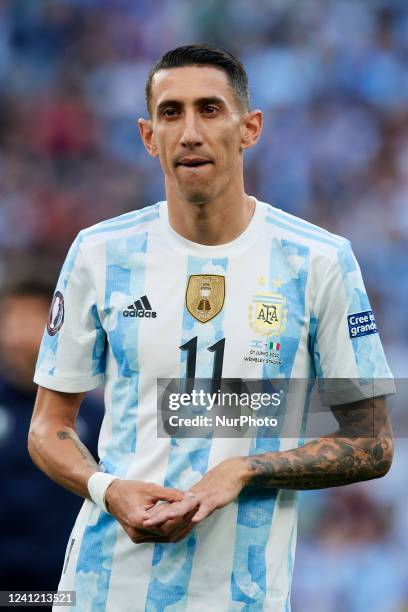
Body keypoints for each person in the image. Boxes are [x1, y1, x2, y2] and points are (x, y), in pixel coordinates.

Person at [29, 44, 395, 611]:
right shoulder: (101, 253)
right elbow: (48, 427)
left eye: (210, 109)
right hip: (105, 589)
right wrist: (110, 489)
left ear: (249, 128)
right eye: (171, 113)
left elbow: (371, 442)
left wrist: (244, 470)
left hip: (241, 596)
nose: (190, 132)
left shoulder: (317, 260)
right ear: (149, 137)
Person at [0, 279, 103, 596]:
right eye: (10, 320)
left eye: (32, 320)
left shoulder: (94, 418)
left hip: (61, 585)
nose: (19, 336)